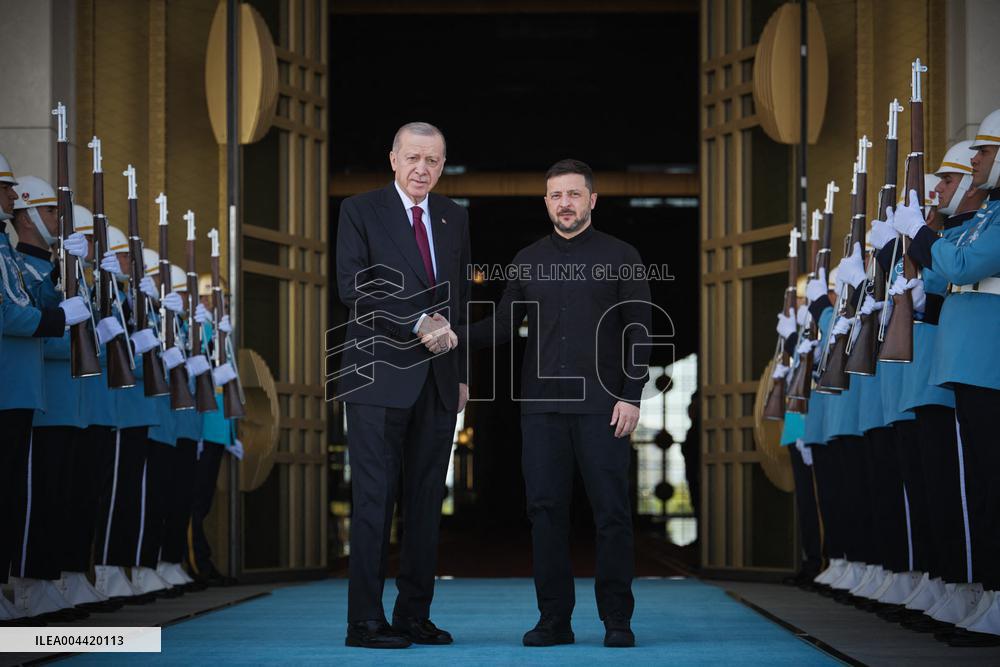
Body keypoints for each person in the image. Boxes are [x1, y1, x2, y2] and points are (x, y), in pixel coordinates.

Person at [468, 159, 651, 649]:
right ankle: (555, 621)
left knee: (611, 512)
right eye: (555, 195)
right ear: (546, 202)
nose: (564, 203)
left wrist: (632, 396)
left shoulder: (623, 255)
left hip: (603, 407)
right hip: (542, 409)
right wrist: (453, 336)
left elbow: (640, 330)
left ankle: (617, 620)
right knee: (545, 511)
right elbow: (504, 326)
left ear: (592, 199)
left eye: (573, 193)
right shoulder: (527, 259)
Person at [333, 121, 471, 649]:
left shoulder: (453, 218)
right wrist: (418, 324)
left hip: (439, 380)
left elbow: (457, 300)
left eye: (433, 161)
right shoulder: (359, 210)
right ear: (393, 159)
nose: (423, 169)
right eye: (413, 158)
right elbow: (356, 288)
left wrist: (461, 378)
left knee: (424, 505)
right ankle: (364, 622)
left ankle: (414, 614)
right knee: (374, 501)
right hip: (377, 377)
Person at [890, 108, 1000, 646]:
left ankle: (988, 592)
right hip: (969, 359)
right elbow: (945, 274)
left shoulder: (993, 219)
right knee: (975, 484)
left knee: (982, 484)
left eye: (984, 150)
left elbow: (959, 268)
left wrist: (919, 240)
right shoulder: (987, 217)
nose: (977, 159)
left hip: (987, 358)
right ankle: (984, 592)